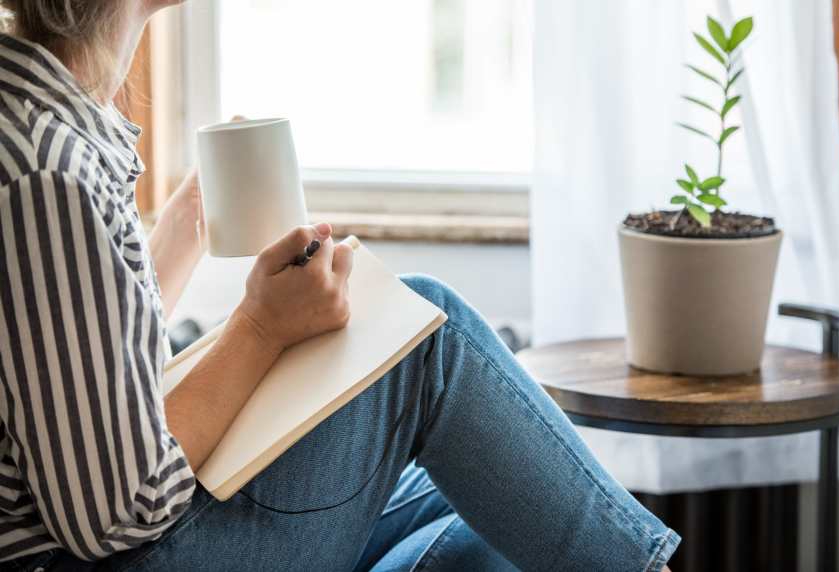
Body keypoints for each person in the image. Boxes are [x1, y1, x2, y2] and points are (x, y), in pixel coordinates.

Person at [0, 1, 679, 570]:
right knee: (430, 333)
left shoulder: (37, 126)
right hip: (109, 557)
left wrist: (184, 226)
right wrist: (262, 328)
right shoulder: (47, 174)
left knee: (497, 488)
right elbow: (117, 509)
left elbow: (85, 384)